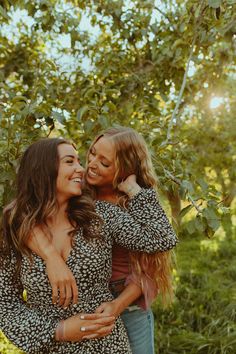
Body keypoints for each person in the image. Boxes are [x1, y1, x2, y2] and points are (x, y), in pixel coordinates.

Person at [0, 137, 177, 354]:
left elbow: (162, 238)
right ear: (42, 169)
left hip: (109, 345)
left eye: (78, 161)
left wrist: (135, 191)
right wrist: (60, 330)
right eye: (70, 162)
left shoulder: (100, 216)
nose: (82, 169)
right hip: (50, 348)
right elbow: (6, 305)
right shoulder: (16, 229)